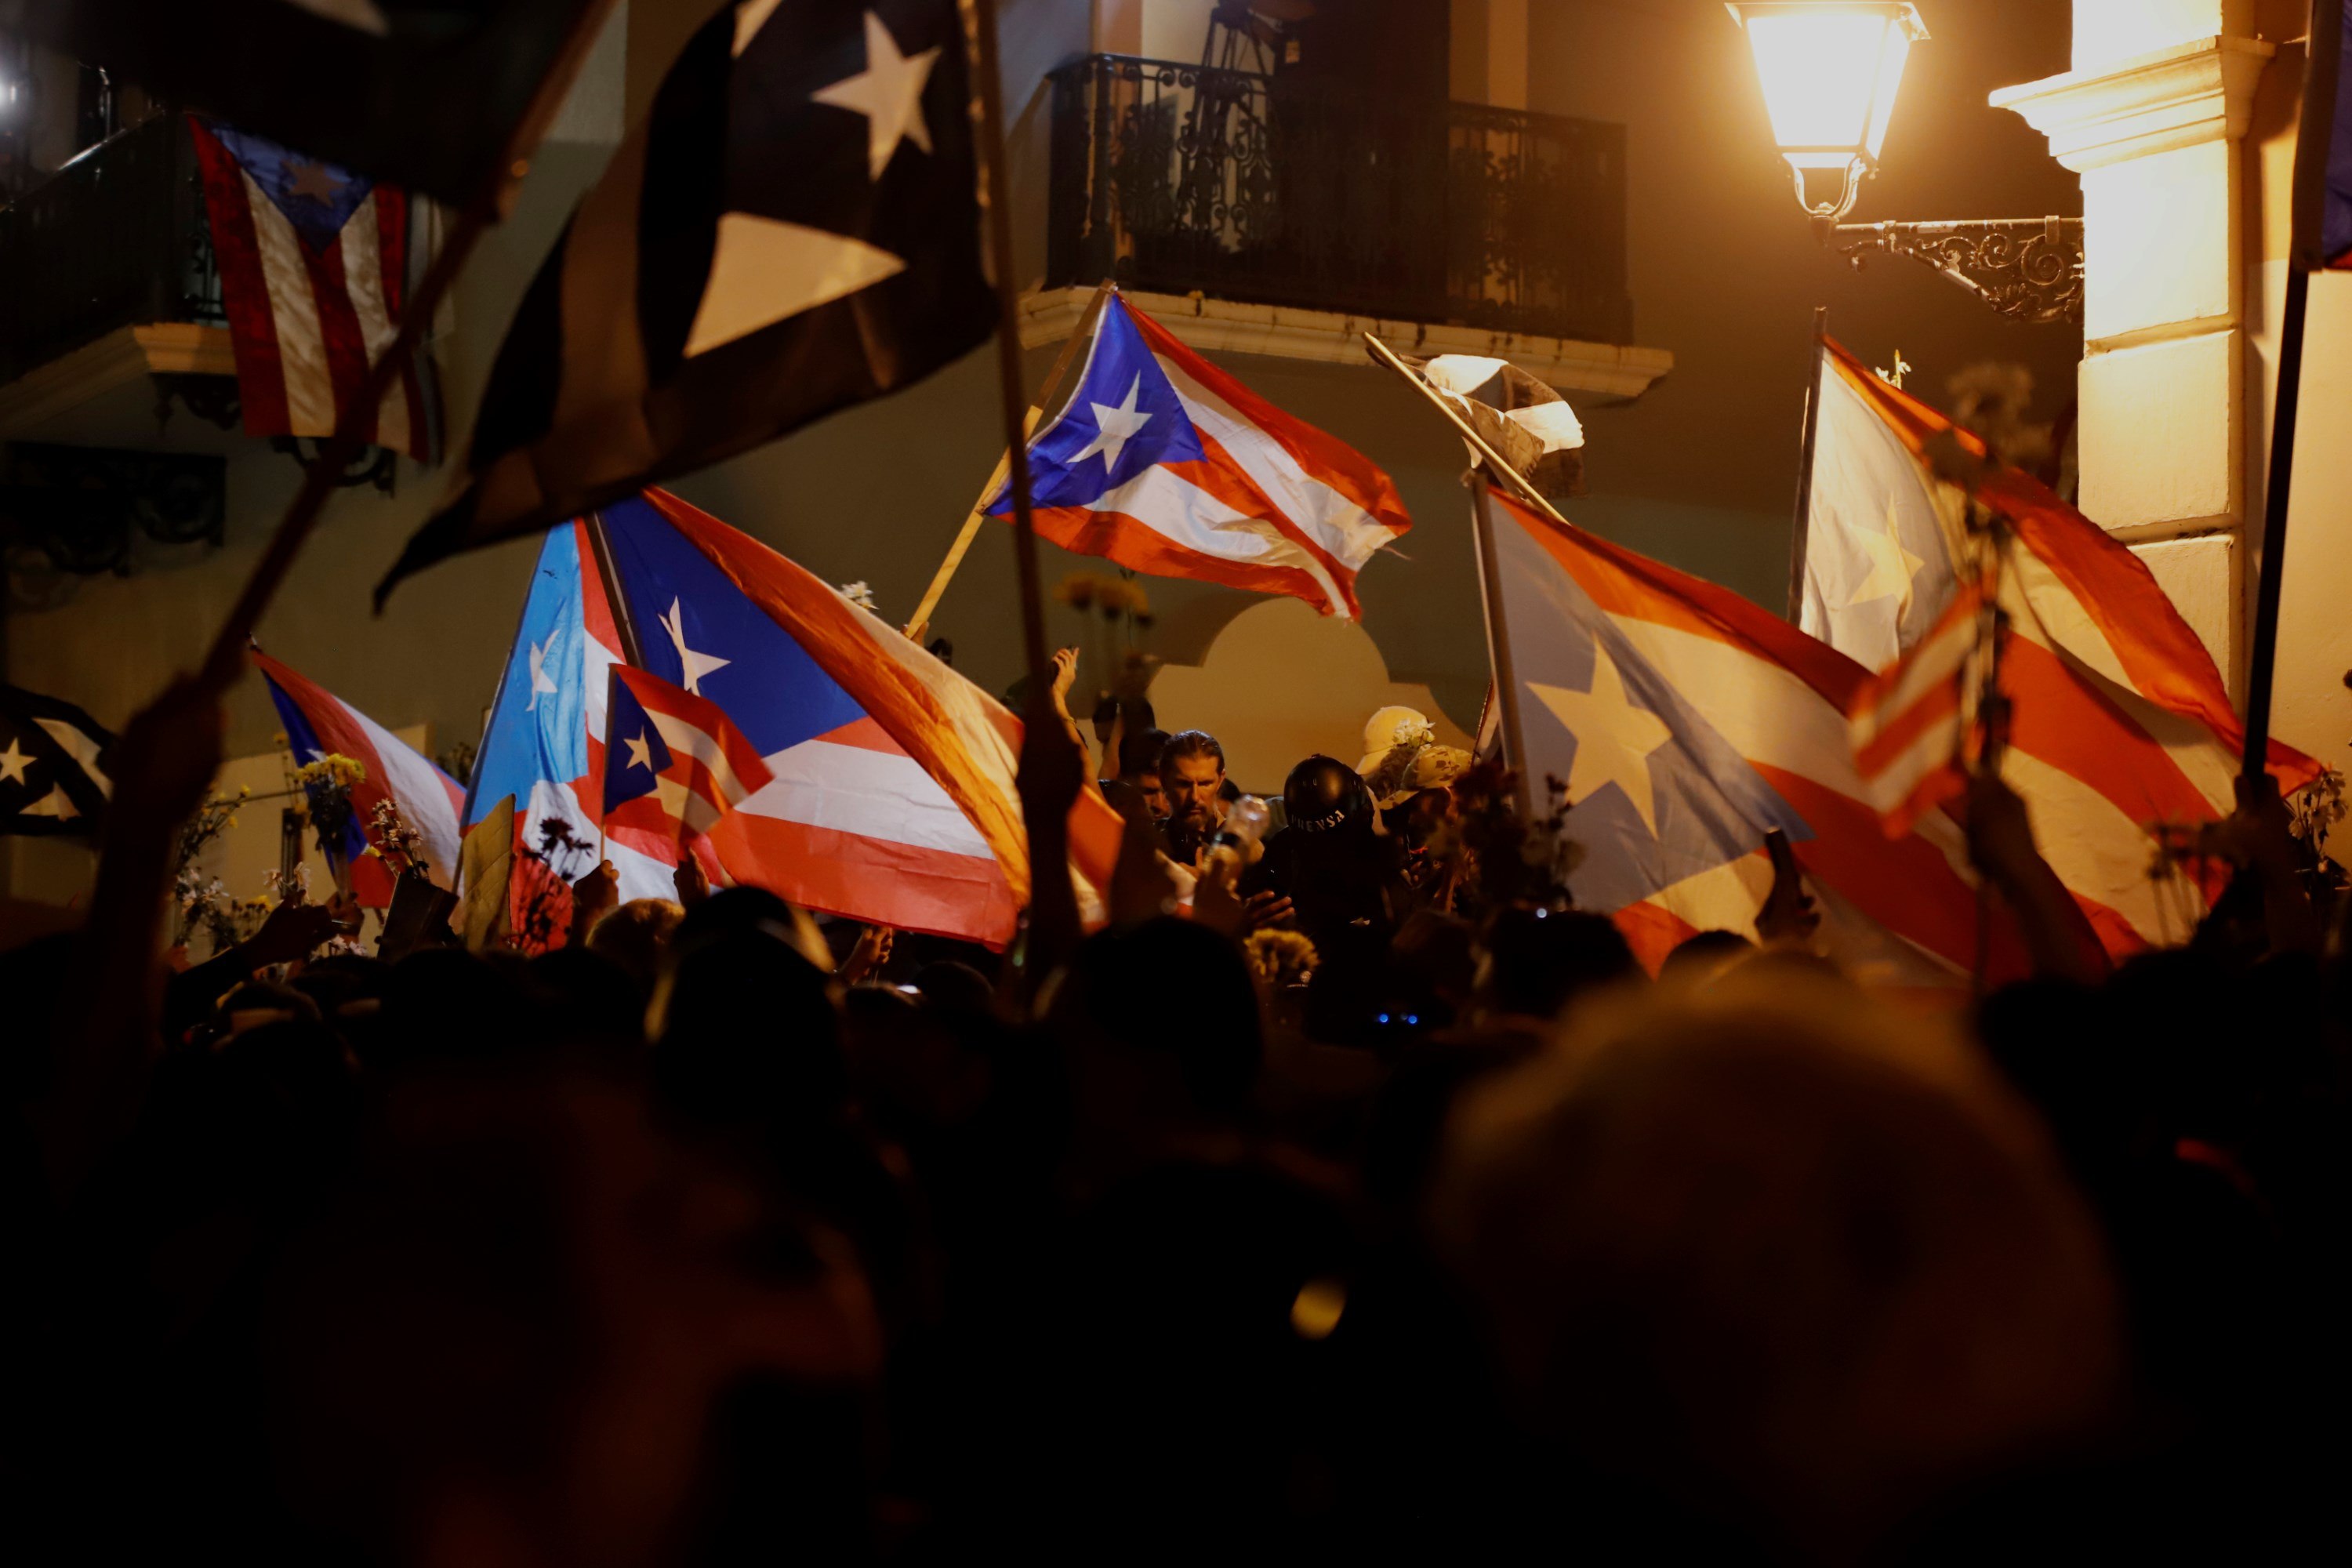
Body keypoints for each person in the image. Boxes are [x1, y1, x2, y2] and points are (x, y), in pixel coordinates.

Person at [1158, 729, 1231, 865]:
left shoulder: (1244, 849)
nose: (1195, 797)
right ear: (1164, 780)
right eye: (1184, 784)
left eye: (1205, 783)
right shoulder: (1147, 846)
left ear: (1220, 780)